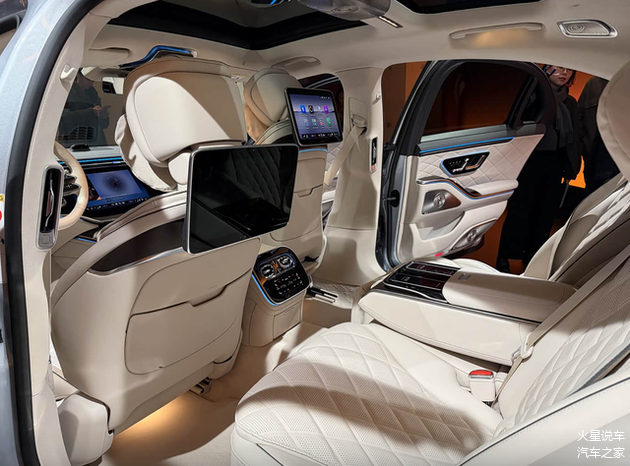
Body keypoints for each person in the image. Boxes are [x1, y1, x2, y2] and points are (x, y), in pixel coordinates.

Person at [496, 65, 580, 273]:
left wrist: (572, 166)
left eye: (569, 69)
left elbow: (574, 137)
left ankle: (533, 257)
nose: (564, 73)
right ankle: (506, 255)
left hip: (556, 162)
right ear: (546, 68)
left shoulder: (570, 102)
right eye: (558, 67)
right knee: (520, 210)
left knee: (545, 214)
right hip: (530, 159)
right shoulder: (532, 94)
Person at [579, 76, 619, 194]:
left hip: (620, 158)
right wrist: (584, 146)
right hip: (593, 155)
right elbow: (579, 116)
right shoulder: (593, 84)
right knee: (590, 195)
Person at [58, 71, 110, 146]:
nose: (91, 83)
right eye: (88, 79)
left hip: (97, 143)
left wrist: (103, 116)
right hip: (74, 143)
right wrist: (91, 112)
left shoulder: (93, 93)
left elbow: (104, 125)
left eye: (93, 80)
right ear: (79, 76)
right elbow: (63, 120)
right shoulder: (67, 93)